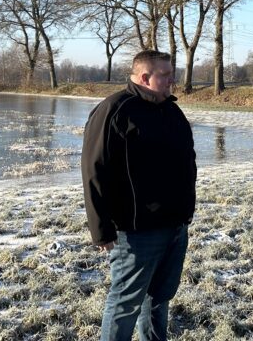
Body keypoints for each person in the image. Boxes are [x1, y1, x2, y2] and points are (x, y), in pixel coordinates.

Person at [81, 49, 197, 341]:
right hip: (136, 232)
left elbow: (187, 160)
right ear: (145, 77)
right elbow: (94, 170)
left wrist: (186, 212)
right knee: (125, 303)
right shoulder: (114, 110)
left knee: (159, 299)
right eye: (166, 75)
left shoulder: (171, 110)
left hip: (175, 225)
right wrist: (100, 229)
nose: (172, 80)